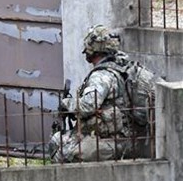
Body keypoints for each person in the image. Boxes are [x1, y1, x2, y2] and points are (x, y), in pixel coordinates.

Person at [50, 24, 153, 162]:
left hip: (115, 141)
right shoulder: (123, 65)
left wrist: (66, 104)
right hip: (132, 136)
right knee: (60, 140)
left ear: (94, 49)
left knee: (62, 151)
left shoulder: (102, 76)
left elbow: (86, 107)